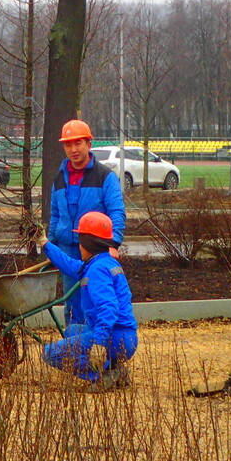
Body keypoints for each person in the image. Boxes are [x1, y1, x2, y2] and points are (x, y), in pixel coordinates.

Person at [36, 212, 138, 390]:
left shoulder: (97, 271)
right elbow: (69, 264)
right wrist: (44, 243)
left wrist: (98, 343)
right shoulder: (100, 263)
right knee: (73, 331)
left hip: (114, 339)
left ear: (87, 243)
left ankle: (103, 375)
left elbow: (109, 307)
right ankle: (113, 368)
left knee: (49, 353)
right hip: (123, 336)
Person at [49, 119, 125, 326]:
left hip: (95, 250)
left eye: (78, 143)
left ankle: (99, 345)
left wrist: (113, 244)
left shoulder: (104, 177)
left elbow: (116, 211)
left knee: (95, 300)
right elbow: (55, 214)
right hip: (67, 249)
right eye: (68, 144)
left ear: (89, 144)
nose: (73, 149)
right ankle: (73, 347)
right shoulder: (59, 178)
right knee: (71, 302)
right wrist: (51, 246)